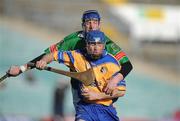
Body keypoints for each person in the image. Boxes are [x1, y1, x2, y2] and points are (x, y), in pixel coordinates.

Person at [8, 10, 132, 107]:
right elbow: (48, 55)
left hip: (103, 90)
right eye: (88, 22)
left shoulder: (106, 42)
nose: (91, 26)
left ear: (99, 24)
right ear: (83, 25)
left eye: (94, 22)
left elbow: (127, 65)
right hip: (80, 87)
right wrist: (21, 69)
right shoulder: (73, 40)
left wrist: (115, 80)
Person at [36, 30, 126, 121]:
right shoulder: (76, 56)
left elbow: (121, 92)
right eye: (92, 44)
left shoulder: (112, 63)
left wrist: (97, 95)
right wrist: (44, 61)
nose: (96, 48)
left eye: (99, 44)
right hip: (85, 108)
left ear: (104, 45)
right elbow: (53, 55)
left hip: (106, 110)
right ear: (86, 44)